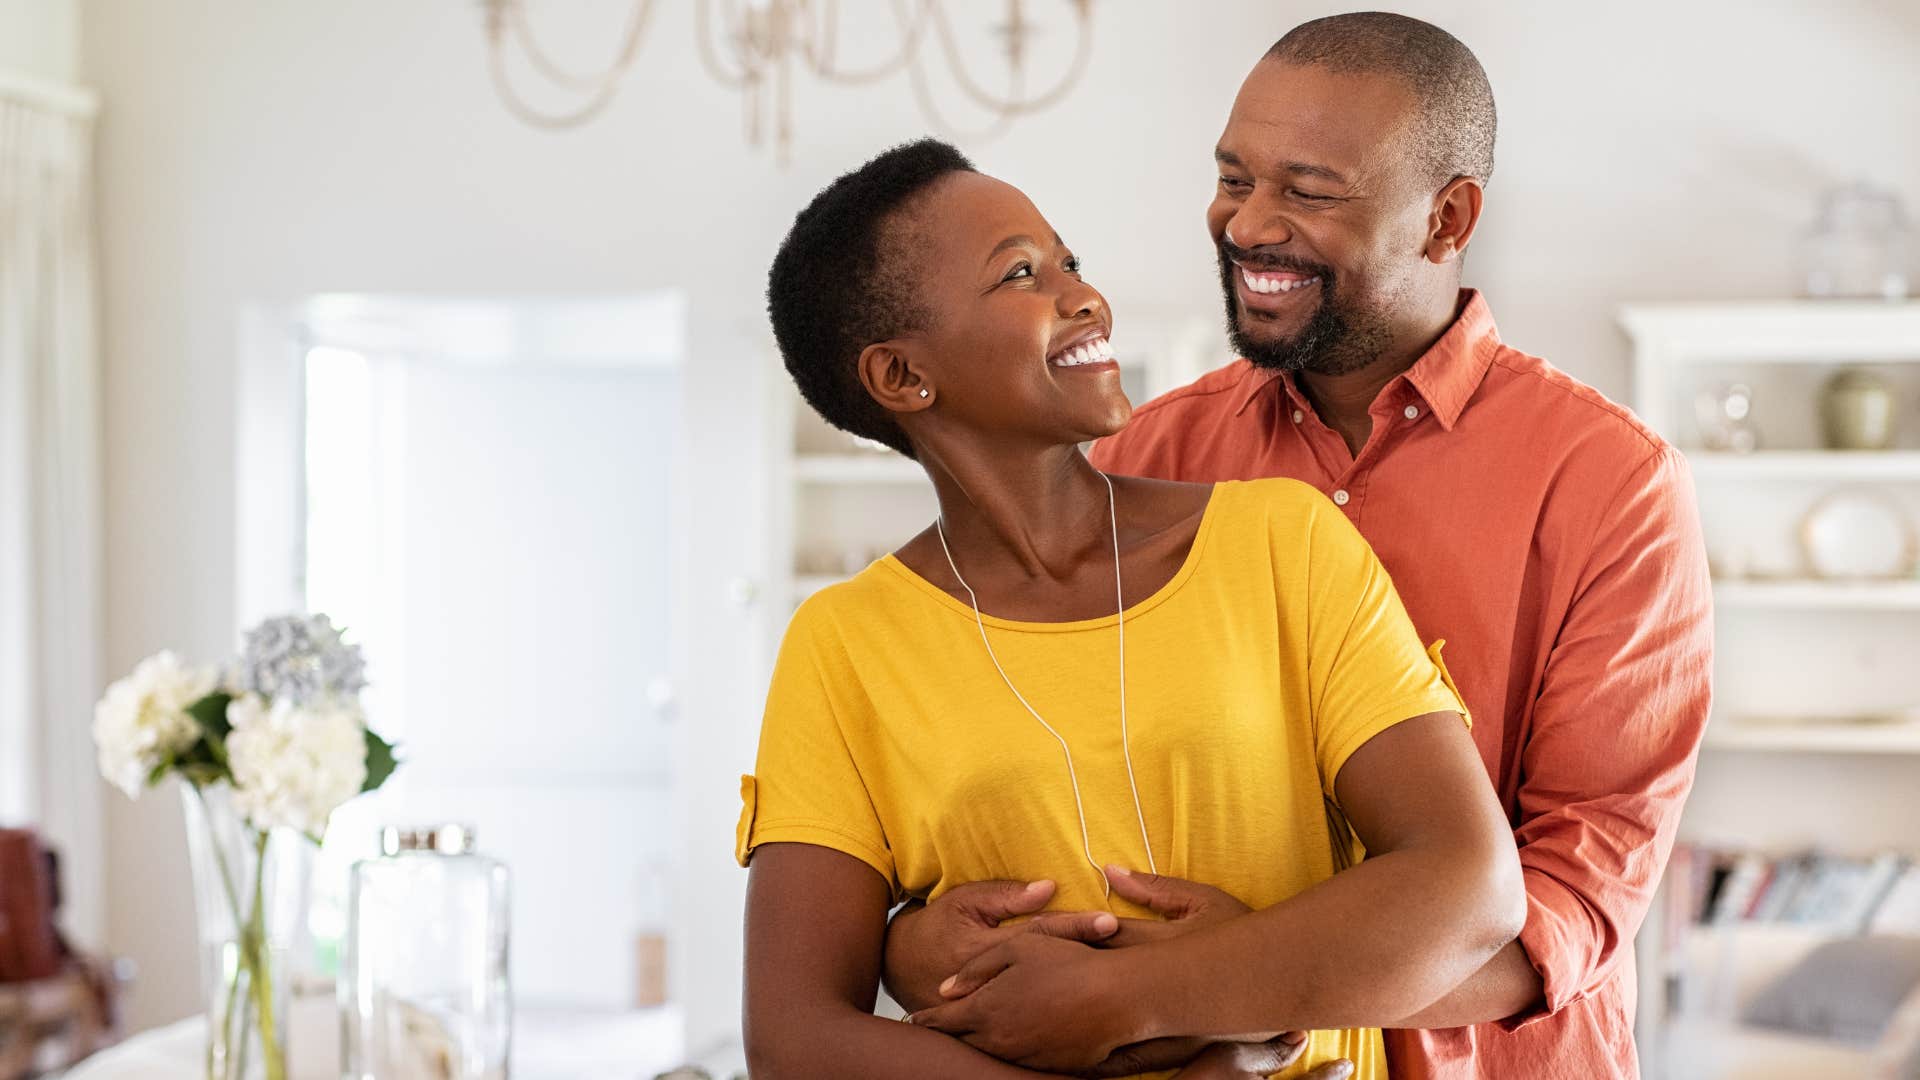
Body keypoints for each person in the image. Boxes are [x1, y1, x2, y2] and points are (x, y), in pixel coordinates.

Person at [882, 13, 1714, 1080]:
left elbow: (1574, 894)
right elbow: (1021, 770)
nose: (1248, 224)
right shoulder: (1148, 452)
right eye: (1234, 178)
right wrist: (913, 944)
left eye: (1308, 193)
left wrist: (1215, 979)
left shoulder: (1612, 482)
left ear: (1446, 217)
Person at [738, 137, 1526, 1080]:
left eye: (1069, 260)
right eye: (1020, 274)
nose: (1082, 296)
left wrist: (1126, 997)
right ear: (903, 378)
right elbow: (793, 1035)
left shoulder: (1282, 542)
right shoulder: (846, 645)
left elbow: (1469, 886)